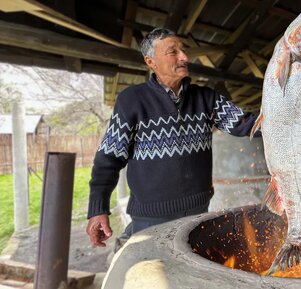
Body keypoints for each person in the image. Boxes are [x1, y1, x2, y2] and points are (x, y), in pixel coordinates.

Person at [86, 27, 259, 247]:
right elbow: (108, 159)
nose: (184, 57)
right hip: (150, 220)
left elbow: (247, 124)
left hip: (198, 215)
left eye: (183, 51)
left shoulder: (206, 98)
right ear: (151, 62)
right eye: (173, 52)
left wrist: (292, 119)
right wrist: (98, 208)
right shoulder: (132, 101)